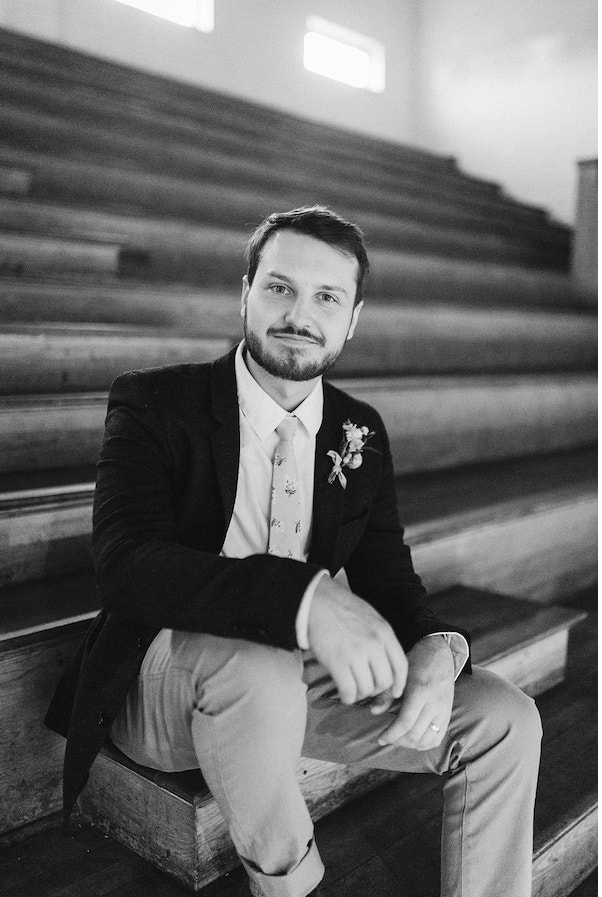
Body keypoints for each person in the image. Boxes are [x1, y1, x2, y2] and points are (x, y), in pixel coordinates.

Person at [45, 206, 542, 897]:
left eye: (327, 297)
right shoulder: (156, 402)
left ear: (352, 318)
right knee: (261, 660)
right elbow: (127, 565)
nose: (299, 314)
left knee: (506, 717)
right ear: (244, 291)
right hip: (162, 685)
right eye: (279, 287)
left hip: (296, 685)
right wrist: (305, 601)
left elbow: (388, 573)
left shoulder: (358, 430)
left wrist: (435, 646)